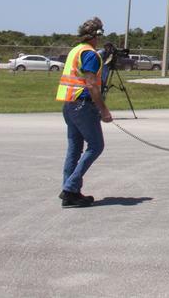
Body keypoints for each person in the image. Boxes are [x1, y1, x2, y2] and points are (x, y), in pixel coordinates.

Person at [56, 17, 113, 207]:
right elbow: (91, 84)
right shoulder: (90, 54)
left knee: (74, 148)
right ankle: (70, 188)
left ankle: (71, 193)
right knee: (96, 146)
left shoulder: (75, 50)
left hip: (69, 104)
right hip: (82, 104)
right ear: (97, 35)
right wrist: (103, 110)